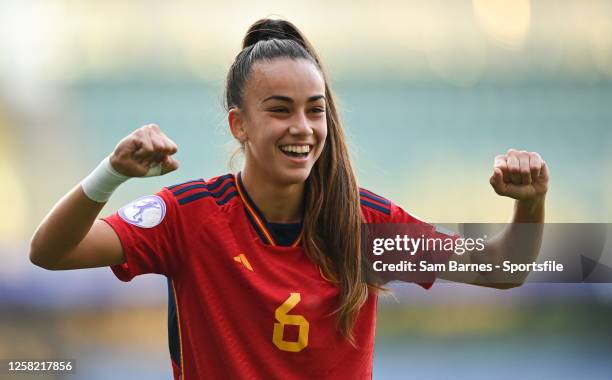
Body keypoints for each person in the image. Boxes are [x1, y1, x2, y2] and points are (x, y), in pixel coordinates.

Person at [29, 18, 549, 379]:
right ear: (240, 124)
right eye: (280, 109)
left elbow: (504, 268)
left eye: (314, 110)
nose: (302, 128)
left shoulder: (365, 224)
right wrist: (111, 174)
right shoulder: (189, 217)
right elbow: (51, 252)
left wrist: (530, 202)